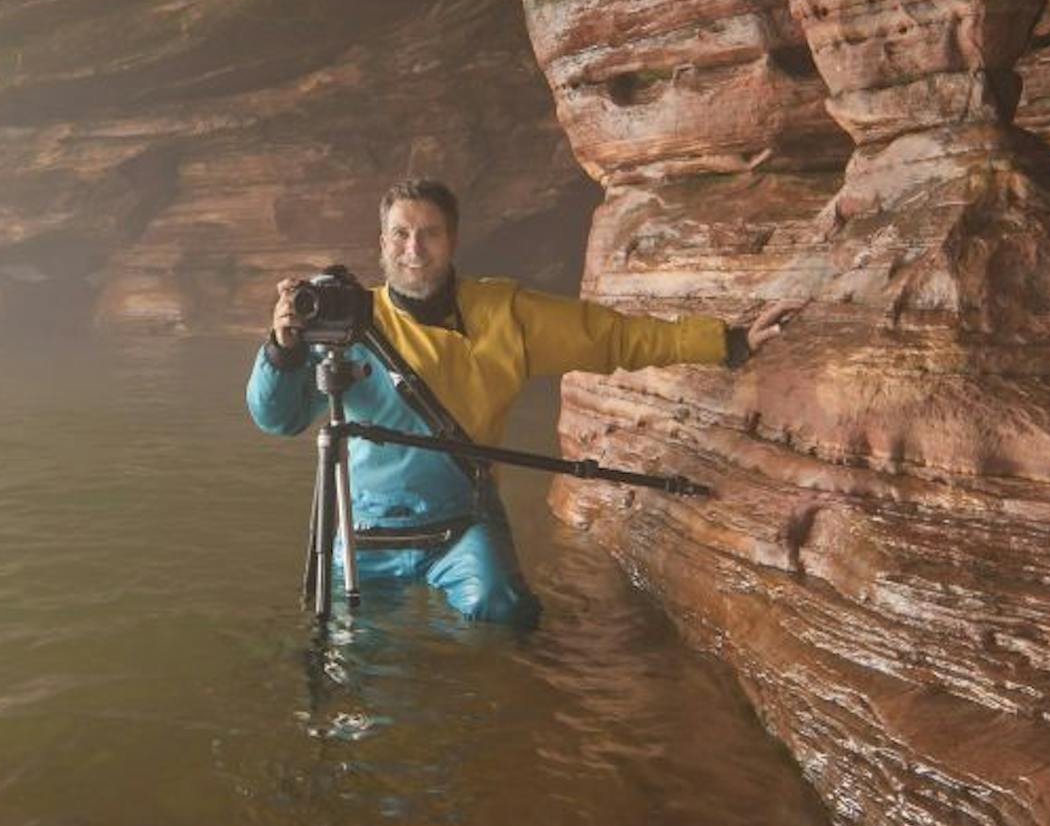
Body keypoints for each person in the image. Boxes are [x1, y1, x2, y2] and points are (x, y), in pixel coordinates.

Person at [246, 177, 798, 626]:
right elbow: (278, 418)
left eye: (429, 234)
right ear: (381, 243)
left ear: (453, 240)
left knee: (507, 618)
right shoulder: (344, 320)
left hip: (462, 520)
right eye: (400, 234)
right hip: (365, 527)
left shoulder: (505, 313)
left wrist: (727, 341)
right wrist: (282, 349)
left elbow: (614, 336)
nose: (413, 248)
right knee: (350, 646)